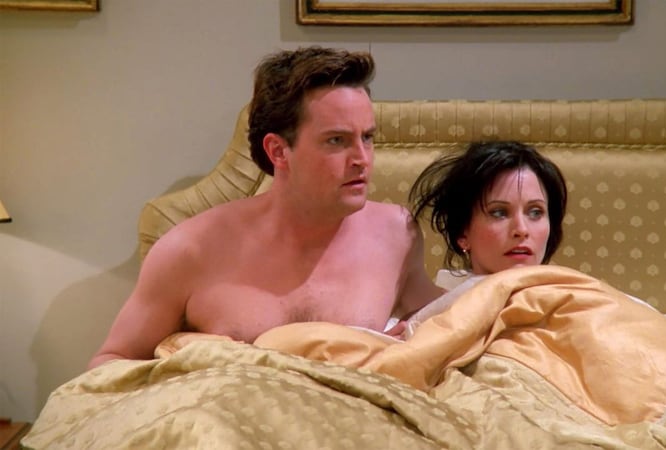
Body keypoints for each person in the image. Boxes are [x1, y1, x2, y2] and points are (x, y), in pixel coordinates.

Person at [89, 46, 443, 369]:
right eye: (337, 140)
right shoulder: (189, 250)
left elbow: (443, 328)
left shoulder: (396, 234)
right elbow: (110, 363)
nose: (362, 159)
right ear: (278, 151)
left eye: (367, 137)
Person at [400, 140, 568, 337]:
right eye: (499, 213)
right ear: (463, 233)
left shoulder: (576, 302)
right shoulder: (429, 323)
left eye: (535, 212)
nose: (521, 230)